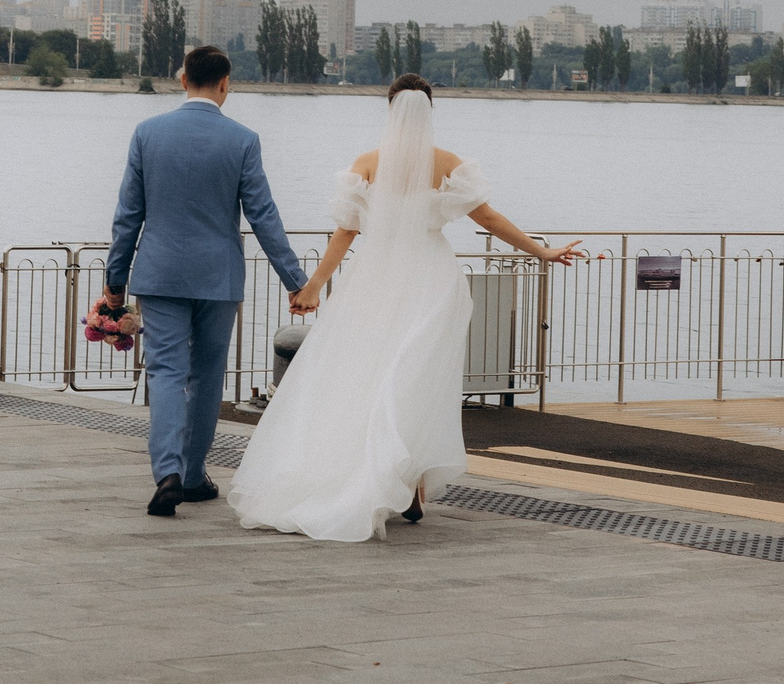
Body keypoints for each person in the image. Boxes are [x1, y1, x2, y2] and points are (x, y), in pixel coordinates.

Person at [228, 73, 583, 541]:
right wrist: (541, 251)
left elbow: (345, 233)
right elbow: (490, 219)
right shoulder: (448, 165)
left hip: (373, 281)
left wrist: (313, 286)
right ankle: (410, 483)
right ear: (430, 110)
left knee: (366, 377)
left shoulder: (367, 164)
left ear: (390, 109)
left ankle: (381, 478)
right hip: (431, 282)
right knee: (417, 380)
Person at [104, 44, 311, 518]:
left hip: (160, 274)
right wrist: (295, 280)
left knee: (166, 373)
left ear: (183, 79)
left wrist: (116, 281)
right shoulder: (243, 140)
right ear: (225, 84)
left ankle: (168, 474)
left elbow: (128, 214)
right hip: (218, 278)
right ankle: (194, 475)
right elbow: (263, 215)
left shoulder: (147, 133)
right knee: (207, 376)